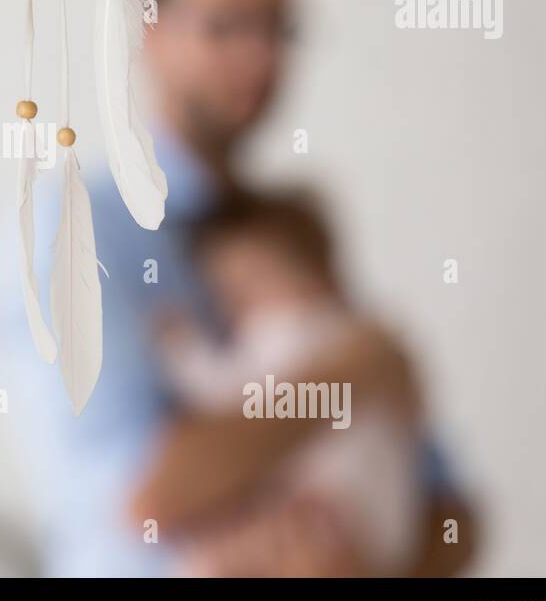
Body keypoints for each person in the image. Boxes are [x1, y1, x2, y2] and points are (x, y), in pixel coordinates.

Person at [0, 0, 476, 577]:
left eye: (278, 25)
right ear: (147, 34)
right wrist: (358, 368)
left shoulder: (294, 226)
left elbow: (454, 515)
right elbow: (146, 498)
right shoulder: (80, 225)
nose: (259, 56)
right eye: (225, 25)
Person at [158, 190, 424, 577]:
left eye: (249, 284)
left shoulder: (291, 331)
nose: (238, 307)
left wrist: (179, 347)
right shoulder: (366, 336)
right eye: (228, 292)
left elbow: (226, 391)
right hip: (389, 526)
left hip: (327, 516)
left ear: (316, 274)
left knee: (204, 563)